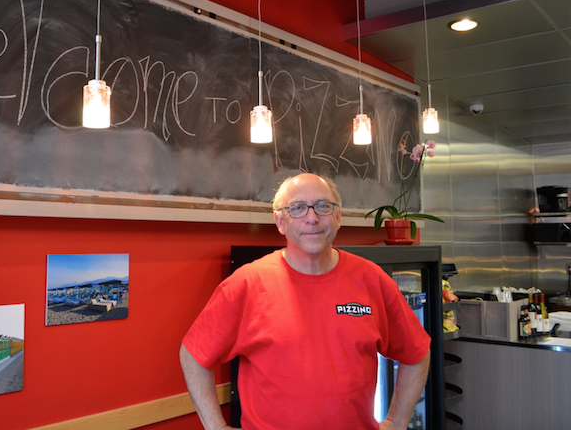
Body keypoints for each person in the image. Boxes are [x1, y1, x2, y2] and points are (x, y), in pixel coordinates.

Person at [180, 173, 431, 430]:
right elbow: (193, 355)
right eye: (298, 208)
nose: (312, 218)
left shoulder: (371, 279)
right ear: (280, 221)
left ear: (338, 216)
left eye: (323, 206)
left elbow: (417, 353)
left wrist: (397, 423)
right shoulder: (246, 283)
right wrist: (216, 427)